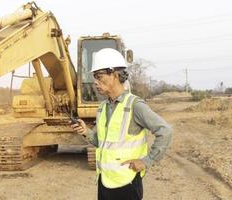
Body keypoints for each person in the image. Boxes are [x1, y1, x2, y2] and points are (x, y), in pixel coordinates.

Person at [71, 48, 172, 200]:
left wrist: (147, 161)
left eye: (99, 76)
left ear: (115, 75)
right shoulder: (103, 107)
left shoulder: (135, 105)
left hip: (127, 184)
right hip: (104, 181)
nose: (96, 82)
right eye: (94, 77)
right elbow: (102, 142)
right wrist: (86, 131)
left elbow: (165, 131)